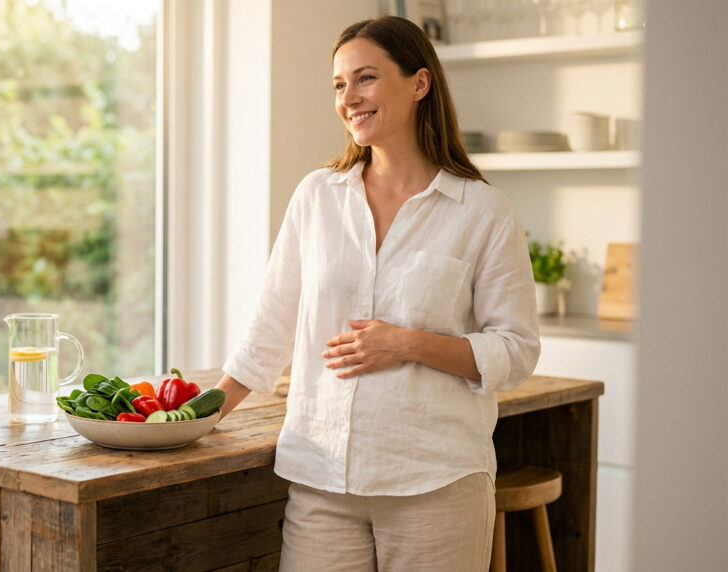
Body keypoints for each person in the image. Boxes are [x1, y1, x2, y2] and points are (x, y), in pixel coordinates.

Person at [215, 16, 541, 571]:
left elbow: (516, 350)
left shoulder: (483, 212)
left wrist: (409, 344)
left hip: (436, 484)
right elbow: (270, 329)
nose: (349, 98)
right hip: (322, 483)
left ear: (419, 83)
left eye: (365, 78)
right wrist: (186, 419)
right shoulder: (317, 197)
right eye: (340, 85)